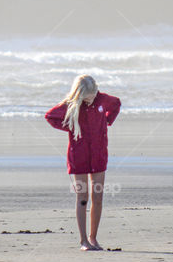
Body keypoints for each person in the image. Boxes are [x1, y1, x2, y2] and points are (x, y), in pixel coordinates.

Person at [44, 74, 121, 251]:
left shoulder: (102, 99)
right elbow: (50, 116)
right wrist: (70, 125)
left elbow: (116, 104)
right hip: (78, 155)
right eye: (87, 97)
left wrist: (107, 121)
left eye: (92, 95)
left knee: (98, 196)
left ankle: (93, 238)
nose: (91, 99)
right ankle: (83, 241)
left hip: (99, 154)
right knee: (83, 197)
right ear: (79, 94)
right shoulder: (71, 104)